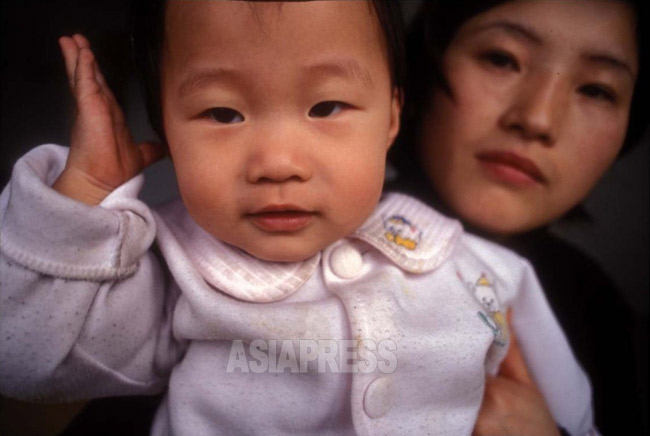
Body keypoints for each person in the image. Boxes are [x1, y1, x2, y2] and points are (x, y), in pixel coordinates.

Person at [0, 1, 596, 435]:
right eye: (222, 113)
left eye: (327, 105)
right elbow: (26, 361)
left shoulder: (473, 266)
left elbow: (574, 410)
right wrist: (80, 199)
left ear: (390, 117)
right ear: (165, 131)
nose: (277, 163)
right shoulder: (173, 276)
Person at [389, 0, 648, 434]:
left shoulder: (597, 309)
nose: (538, 118)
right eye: (501, 59)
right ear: (423, 66)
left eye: (596, 90)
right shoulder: (293, 234)